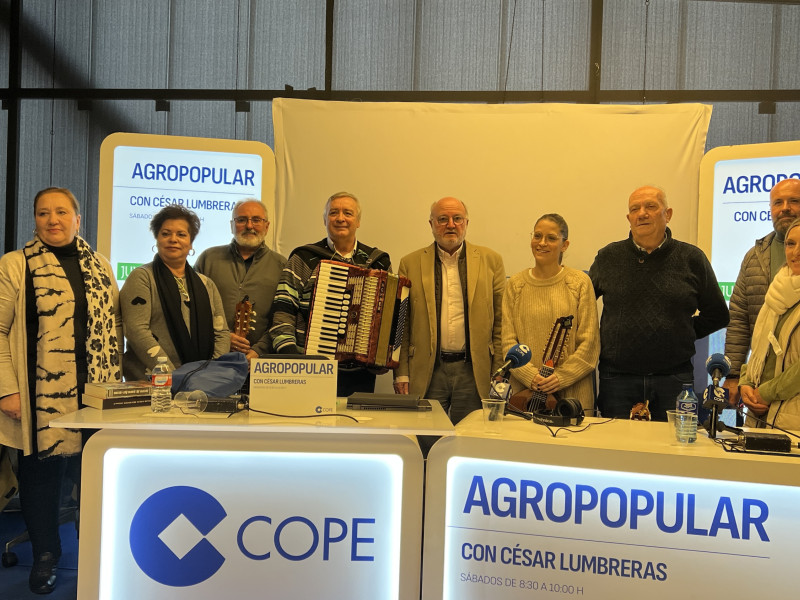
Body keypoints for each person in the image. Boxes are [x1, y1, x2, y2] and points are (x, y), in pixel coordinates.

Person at [0, 187, 122, 594]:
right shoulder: (16, 266)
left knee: (93, 476)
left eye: (61, 212)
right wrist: (7, 391)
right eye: (42, 213)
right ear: (34, 220)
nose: (52, 220)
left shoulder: (100, 265)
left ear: (77, 219)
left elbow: (113, 331)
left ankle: (96, 553)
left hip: (95, 395)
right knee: (43, 479)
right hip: (38, 396)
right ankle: (46, 557)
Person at [589, 185, 729, 421]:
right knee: (616, 451)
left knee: (674, 451)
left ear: (668, 214)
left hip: (674, 379)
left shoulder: (692, 258)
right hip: (617, 379)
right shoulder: (608, 257)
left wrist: (681, 332)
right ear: (628, 218)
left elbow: (718, 315)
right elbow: (581, 307)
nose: (642, 213)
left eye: (650, 206)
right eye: (635, 209)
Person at [393, 197, 505, 425]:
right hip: (428, 371)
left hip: (474, 372)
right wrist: (401, 372)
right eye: (443, 219)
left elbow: (502, 322)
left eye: (457, 219)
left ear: (466, 223)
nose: (451, 225)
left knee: (470, 441)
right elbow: (402, 325)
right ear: (431, 224)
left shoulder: (491, 261)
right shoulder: (410, 263)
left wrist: (499, 370)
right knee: (428, 441)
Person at [270, 192, 391, 396]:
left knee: (354, 427)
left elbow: (385, 317)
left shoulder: (378, 262)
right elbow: (283, 308)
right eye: (333, 212)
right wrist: (290, 355)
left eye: (348, 213)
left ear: (358, 221)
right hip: (308, 368)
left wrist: (382, 354)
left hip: (360, 373)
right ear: (325, 219)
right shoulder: (304, 258)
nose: (340, 218)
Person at [502, 214, 599, 412]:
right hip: (524, 396)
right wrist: (531, 377)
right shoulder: (515, 285)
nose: (542, 243)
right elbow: (508, 342)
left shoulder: (580, 283)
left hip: (572, 395)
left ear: (565, 245)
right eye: (537, 236)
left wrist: (560, 378)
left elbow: (589, 344)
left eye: (551, 238)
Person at [120, 205, 229, 380]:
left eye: (181, 234)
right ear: (157, 239)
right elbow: (136, 330)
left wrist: (210, 373)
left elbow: (221, 332)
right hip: (152, 384)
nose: (173, 239)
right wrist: (173, 376)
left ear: (191, 243)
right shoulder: (142, 278)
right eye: (165, 233)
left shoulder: (206, 284)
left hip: (201, 383)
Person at [724, 178, 800, 408]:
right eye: (778, 202)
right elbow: (738, 318)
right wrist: (736, 375)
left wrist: (770, 391)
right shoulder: (755, 257)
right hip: (758, 385)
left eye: (794, 200)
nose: (785, 207)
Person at [195, 198, 287, 360]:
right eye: (241, 220)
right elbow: (193, 309)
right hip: (211, 357)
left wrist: (260, 350)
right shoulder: (208, 259)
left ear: (267, 226)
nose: (249, 226)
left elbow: (284, 316)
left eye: (256, 220)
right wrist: (223, 338)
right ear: (232, 225)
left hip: (260, 363)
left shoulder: (282, 265)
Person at [738, 217, 800, 430]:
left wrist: (766, 393)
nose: (796, 251)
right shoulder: (779, 289)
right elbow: (760, 348)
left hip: (791, 419)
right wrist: (745, 380)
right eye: (791, 244)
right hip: (759, 415)